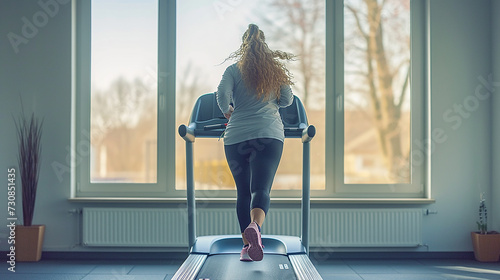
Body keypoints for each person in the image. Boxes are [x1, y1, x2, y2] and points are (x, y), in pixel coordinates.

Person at [216, 23, 295, 262]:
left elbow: (221, 95)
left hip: (237, 136)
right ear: (264, 45)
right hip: (268, 135)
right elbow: (287, 99)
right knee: (261, 189)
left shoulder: (233, 70)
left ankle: (247, 247)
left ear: (243, 46)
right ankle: (256, 228)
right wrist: (272, 103)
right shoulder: (274, 70)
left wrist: (229, 110)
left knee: (243, 192)